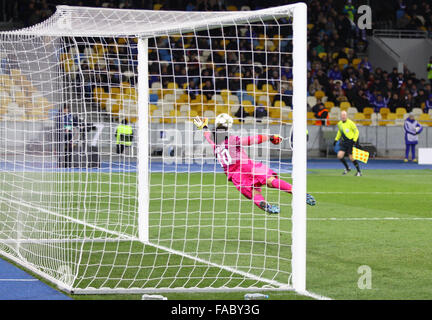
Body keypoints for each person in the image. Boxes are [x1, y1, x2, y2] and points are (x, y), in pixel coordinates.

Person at [194, 114, 316, 214]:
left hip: (235, 176)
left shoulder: (215, 145)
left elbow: (208, 136)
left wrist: (204, 127)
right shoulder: (231, 139)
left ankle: (267, 206)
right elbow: (252, 140)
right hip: (247, 166)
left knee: (255, 193)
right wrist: (270, 137)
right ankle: (297, 192)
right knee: (270, 180)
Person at [333, 111, 362, 176]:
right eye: (342, 115)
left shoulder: (350, 123)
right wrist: (336, 140)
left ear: (346, 116)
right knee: (339, 156)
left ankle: (359, 172)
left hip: (350, 141)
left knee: (351, 158)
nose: (343, 116)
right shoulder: (339, 124)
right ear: (340, 116)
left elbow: (357, 131)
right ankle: (347, 168)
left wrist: (354, 141)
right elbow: (339, 132)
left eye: (344, 115)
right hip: (344, 142)